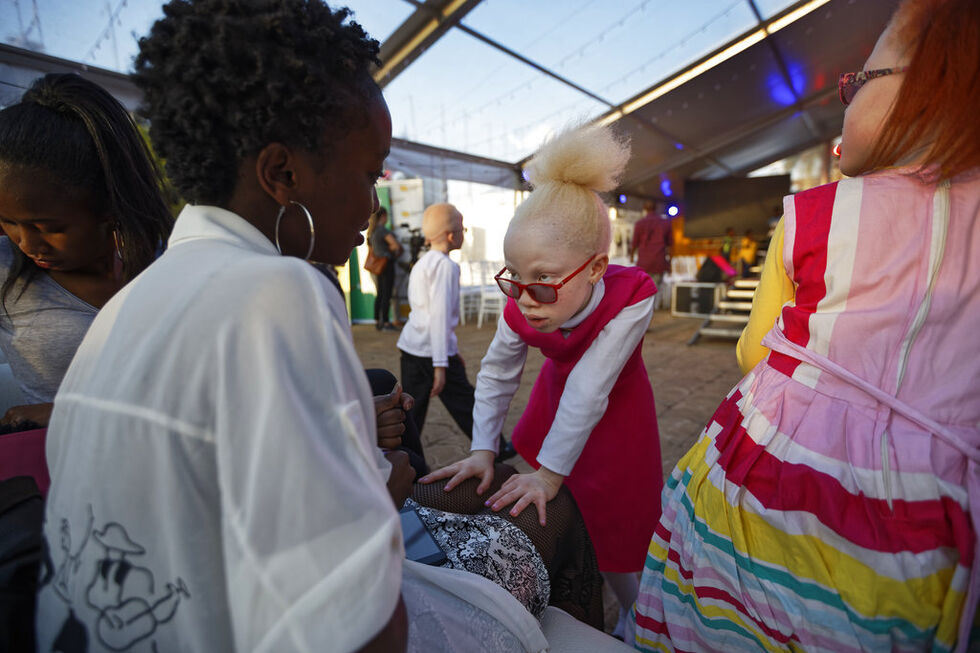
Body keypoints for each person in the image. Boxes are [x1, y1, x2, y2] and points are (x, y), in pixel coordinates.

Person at [35, 2, 551, 651]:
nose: (371, 205)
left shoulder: (126, 309)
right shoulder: (282, 290)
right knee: (545, 531)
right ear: (282, 173)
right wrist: (380, 482)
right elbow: (358, 628)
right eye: (368, 173)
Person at [633, 1, 980, 650]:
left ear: (934, 84)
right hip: (938, 519)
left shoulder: (813, 215)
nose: (844, 96)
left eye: (859, 82)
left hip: (785, 485)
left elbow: (752, 350)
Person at [422, 124, 664, 638]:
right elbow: (496, 373)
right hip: (557, 410)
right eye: (512, 276)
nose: (525, 298)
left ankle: (638, 621)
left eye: (542, 282)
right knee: (562, 515)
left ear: (596, 267)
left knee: (622, 541)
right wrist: (484, 449)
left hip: (618, 425)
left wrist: (548, 475)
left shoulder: (633, 295)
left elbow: (592, 387)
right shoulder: (524, 301)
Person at [0, 73, 173, 430]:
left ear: (109, 205)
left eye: (50, 227)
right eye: (8, 222)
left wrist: (70, 411)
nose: (27, 244)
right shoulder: (4, 268)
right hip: (55, 472)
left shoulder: (168, 262)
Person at [396, 203, 516, 459]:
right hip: (433, 352)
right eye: (462, 229)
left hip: (412, 348)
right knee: (466, 402)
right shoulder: (446, 267)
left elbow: (427, 313)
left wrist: (453, 350)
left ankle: (404, 458)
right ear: (451, 236)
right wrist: (441, 365)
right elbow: (439, 318)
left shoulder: (422, 262)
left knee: (411, 411)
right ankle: (496, 446)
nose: (464, 234)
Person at [630, 200, 672, 310]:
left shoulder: (639, 224)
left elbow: (634, 243)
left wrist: (631, 257)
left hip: (644, 262)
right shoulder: (665, 223)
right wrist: (670, 263)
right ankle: (651, 313)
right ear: (656, 208)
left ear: (644, 208)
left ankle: (644, 315)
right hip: (659, 261)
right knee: (655, 290)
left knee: (643, 290)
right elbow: (670, 245)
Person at [367, 206, 401, 330]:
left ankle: (377, 321)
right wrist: (388, 250)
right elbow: (395, 245)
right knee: (387, 293)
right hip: (386, 264)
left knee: (380, 293)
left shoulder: (372, 231)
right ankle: (386, 322)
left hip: (376, 267)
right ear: (383, 216)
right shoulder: (382, 230)